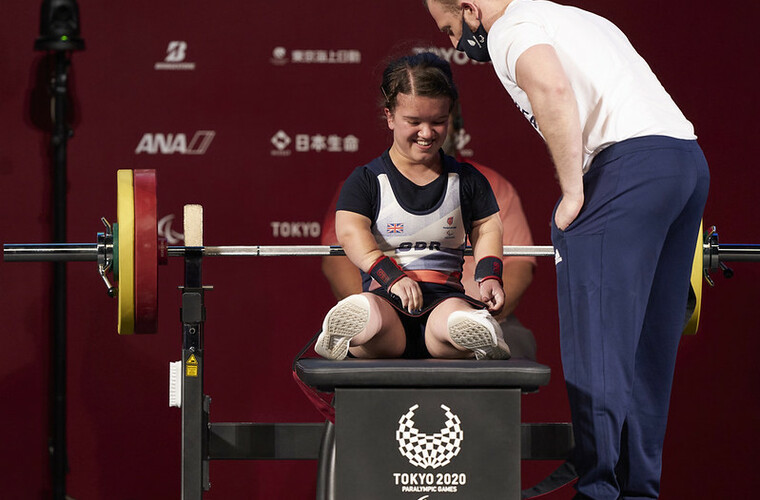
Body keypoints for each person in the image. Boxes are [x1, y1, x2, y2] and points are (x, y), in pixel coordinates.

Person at [423, 2, 710, 499]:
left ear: (470, 9)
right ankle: (637, 490)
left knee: (598, 346)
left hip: (627, 170)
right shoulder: (573, 16)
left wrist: (573, 192)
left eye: (450, 30)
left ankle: (599, 491)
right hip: (685, 163)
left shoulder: (510, 28)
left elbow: (552, 87)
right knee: (646, 350)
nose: (453, 43)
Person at [314, 52, 510, 361]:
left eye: (438, 122)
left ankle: (475, 330)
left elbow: (487, 227)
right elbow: (350, 233)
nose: (427, 134)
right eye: (414, 122)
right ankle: (349, 325)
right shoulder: (366, 180)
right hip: (386, 305)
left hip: (443, 304)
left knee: (455, 317)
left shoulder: (468, 180)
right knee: (371, 316)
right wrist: (393, 277)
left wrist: (489, 276)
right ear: (390, 116)